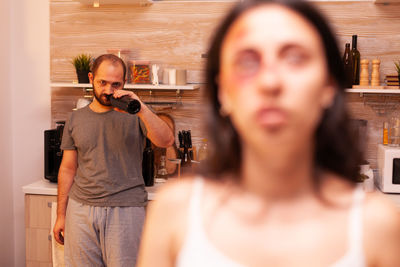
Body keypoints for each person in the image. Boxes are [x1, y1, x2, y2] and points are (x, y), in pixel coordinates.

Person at [137, 0, 400, 266]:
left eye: (295, 58)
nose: (270, 81)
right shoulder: (175, 213)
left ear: (328, 86)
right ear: (223, 91)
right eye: (247, 61)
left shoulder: (376, 226)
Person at [53, 54, 174, 266]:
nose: (109, 90)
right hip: (80, 210)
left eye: (115, 84)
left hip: (126, 209)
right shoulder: (75, 118)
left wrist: (141, 107)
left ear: (124, 84)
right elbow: (68, 169)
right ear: (91, 78)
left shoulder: (136, 114)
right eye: (103, 82)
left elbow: (166, 140)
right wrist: (61, 215)